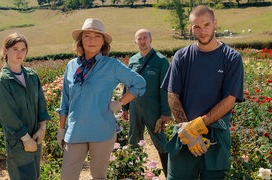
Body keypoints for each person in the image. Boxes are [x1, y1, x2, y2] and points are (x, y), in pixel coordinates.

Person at [56, 18, 146, 180]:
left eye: (97, 36)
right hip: (75, 131)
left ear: (103, 42)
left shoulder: (111, 65)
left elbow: (139, 83)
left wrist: (119, 103)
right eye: (87, 36)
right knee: (66, 177)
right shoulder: (71, 66)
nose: (91, 40)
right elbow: (65, 101)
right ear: (80, 40)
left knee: (98, 176)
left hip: (102, 131)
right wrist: (61, 129)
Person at [160, 5, 244, 179]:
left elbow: (230, 99)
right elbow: (172, 95)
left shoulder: (231, 58)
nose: (202, 31)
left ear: (215, 24)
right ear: (191, 28)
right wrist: (186, 130)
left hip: (215, 137)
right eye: (197, 27)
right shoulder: (181, 57)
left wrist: (197, 126)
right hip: (183, 136)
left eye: (206, 25)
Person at [0, 32, 50, 180]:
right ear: (5, 50)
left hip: (35, 136)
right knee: (23, 176)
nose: (20, 53)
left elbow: (41, 104)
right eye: (15, 49)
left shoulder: (31, 76)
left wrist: (42, 128)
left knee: (34, 176)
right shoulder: (3, 81)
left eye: (23, 49)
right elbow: (8, 115)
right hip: (18, 142)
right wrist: (26, 139)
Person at [121, 29, 171, 177]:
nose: (142, 41)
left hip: (153, 108)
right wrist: (125, 107)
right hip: (135, 107)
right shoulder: (133, 60)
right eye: (139, 39)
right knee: (134, 141)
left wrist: (165, 113)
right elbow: (127, 84)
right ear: (135, 42)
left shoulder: (161, 61)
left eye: (145, 38)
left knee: (161, 143)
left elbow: (165, 89)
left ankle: (170, 175)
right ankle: (135, 174)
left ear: (151, 39)